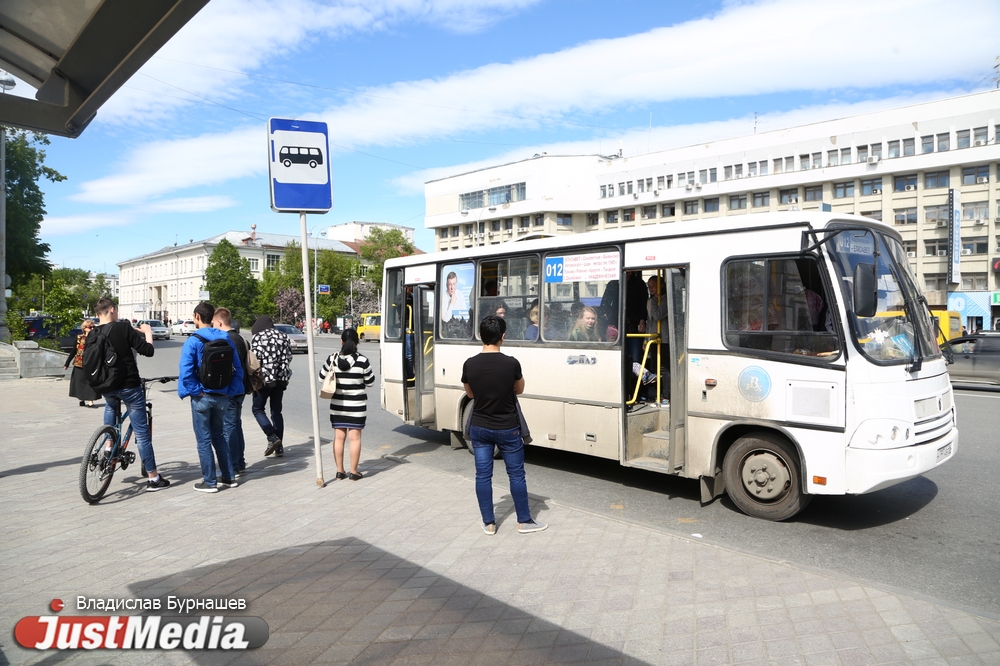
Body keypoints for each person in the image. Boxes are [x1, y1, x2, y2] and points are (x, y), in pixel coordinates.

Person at [462, 315, 547, 535]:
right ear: (503, 337)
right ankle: (524, 521)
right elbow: (520, 389)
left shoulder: (469, 364)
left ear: (481, 336)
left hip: (480, 427)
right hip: (508, 427)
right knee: (516, 475)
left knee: (482, 475)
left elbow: (470, 394)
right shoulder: (511, 363)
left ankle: (489, 523)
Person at [92, 298, 170, 491]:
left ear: (97, 314)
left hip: (106, 386)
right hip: (129, 386)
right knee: (142, 434)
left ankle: (109, 445)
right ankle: (153, 478)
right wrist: (148, 333)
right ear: (112, 310)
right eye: (116, 311)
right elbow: (148, 351)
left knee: (111, 405)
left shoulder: (93, 333)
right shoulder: (124, 328)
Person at [178, 301, 244, 493]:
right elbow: (238, 370)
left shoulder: (193, 341)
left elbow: (186, 371)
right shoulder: (227, 339)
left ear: (197, 317)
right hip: (223, 395)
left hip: (202, 397)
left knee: (204, 440)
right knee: (219, 437)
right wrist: (229, 391)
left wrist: (195, 390)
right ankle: (229, 477)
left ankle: (209, 481)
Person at [318, 328, 375, 480]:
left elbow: (321, 378)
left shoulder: (332, 359)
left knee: (338, 438)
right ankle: (354, 472)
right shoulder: (362, 360)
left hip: (337, 406)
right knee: (355, 439)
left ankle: (339, 471)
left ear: (341, 341)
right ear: (357, 343)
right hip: (357, 407)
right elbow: (371, 382)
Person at [212, 307, 252, 478]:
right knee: (236, 424)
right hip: (241, 388)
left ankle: (233, 465)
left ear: (220, 322)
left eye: (214, 324)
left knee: (229, 427)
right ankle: (240, 462)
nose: (213, 327)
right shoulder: (241, 338)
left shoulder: (227, 339)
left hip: (231, 390)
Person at [250, 315, 293, 457]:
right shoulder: (283, 336)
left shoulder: (258, 337)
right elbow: (289, 357)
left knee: (257, 409)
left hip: (263, 380)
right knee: (276, 412)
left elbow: (254, 359)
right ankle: (279, 447)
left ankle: (272, 436)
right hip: (280, 379)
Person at [64, 319, 99, 407]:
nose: (92, 328)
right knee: (80, 382)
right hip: (79, 363)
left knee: (90, 382)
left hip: (91, 364)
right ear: (84, 328)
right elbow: (73, 351)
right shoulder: (79, 337)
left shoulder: (96, 338)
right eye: (90, 327)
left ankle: (90, 401)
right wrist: (67, 363)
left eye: (93, 327)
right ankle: (82, 399)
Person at [647, 275, 670, 401]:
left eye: (654, 285)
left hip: (664, 338)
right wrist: (646, 339)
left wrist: (655, 301)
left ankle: (666, 395)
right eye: (649, 286)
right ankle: (656, 393)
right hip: (653, 338)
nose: (651, 288)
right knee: (654, 367)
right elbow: (649, 321)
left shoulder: (665, 299)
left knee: (664, 368)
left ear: (661, 285)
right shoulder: (651, 301)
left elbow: (657, 315)